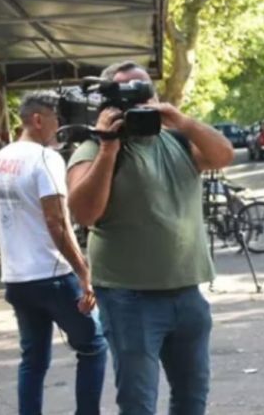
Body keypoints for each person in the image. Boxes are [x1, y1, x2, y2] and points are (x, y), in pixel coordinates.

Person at [66, 61, 235, 415]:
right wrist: (108, 147)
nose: (138, 102)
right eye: (126, 94)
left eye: (143, 91)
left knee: (192, 398)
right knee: (138, 403)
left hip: (187, 292)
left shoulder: (178, 141)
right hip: (129, 298)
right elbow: (84, 213)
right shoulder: (92, 150)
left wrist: (183, 121)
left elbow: (224, 155)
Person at [0, 91, 107, 415]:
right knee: (94, 346)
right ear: (39, 120)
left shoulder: (0, 160)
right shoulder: (45, 159)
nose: (61, 127)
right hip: (52, 276)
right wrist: (83, 272)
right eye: (57, 119)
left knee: (34, 360)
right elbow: (57, 222)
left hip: (16, 279)